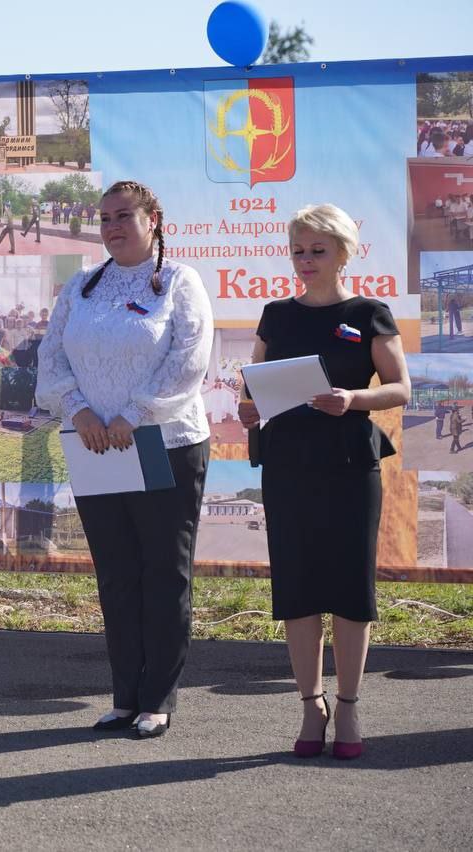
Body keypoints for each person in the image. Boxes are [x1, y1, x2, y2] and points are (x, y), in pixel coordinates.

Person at [36, 179, 213, 738]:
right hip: (92, 445)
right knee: (115, 575)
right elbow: (51, 352)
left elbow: (190, 359)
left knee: (164, 572)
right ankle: (124, 696)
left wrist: (133, 415)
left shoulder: (181, 282)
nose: (112, 226)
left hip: (164, 444)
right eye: (105, 218)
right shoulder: (82, 286)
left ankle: (158, 698)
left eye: (124, 216)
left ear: (152, 219)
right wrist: (79, 411)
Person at [239, 203, 410, 761]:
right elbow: (251, 390)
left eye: (318, 250)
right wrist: (247, 410)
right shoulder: (275, 315)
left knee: (348, 589)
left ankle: (351, 704)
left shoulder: (369, 312)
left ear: (343, 252)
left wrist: (352, 399)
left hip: (348, 464)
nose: (306, 261)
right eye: (298, 251)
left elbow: (400, 388)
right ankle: (311, 705)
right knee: (299, 588)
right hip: (288, 464)